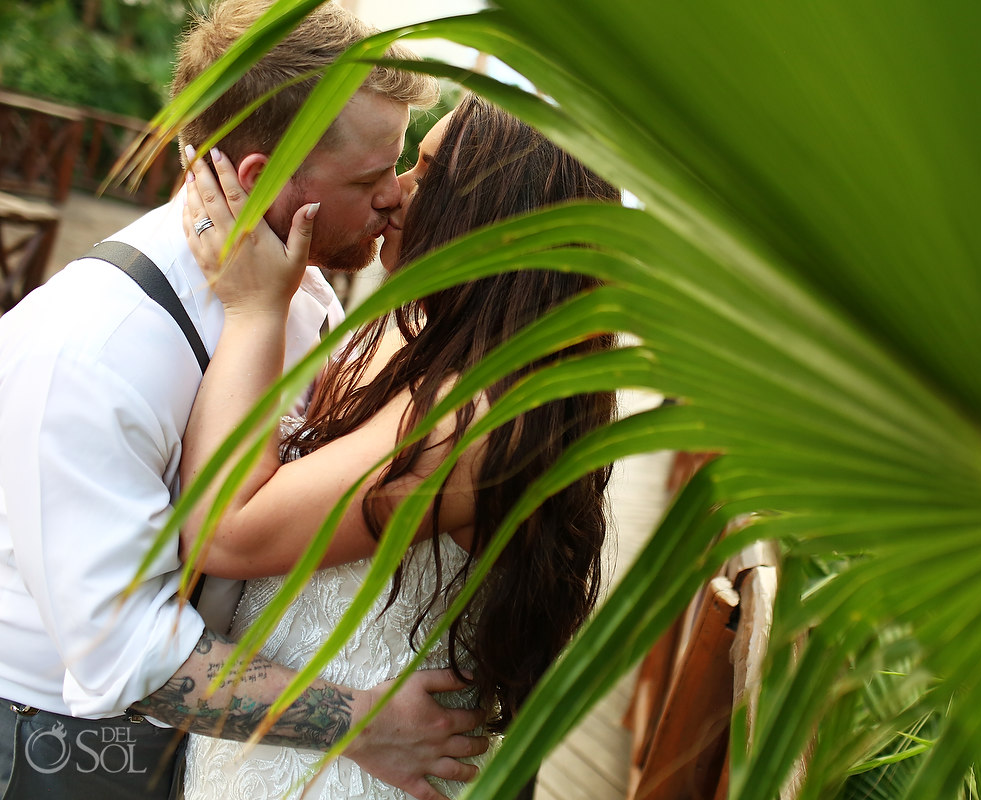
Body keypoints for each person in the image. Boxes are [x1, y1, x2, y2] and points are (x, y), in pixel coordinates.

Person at [0, 3, 489, 799]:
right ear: (261, 178)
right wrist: (360, 722)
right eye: (370, 180)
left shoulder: (303, 295)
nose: (395, 199)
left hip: (212, 744)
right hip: (62, 748)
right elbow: (127, 657)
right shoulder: (88, 350)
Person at [175, 93, 621, 799]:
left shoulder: (473, 418)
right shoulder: (417, 338)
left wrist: (252, 309)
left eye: (426, 172)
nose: (396, 191)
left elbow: (226, 533)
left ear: (495, 221)